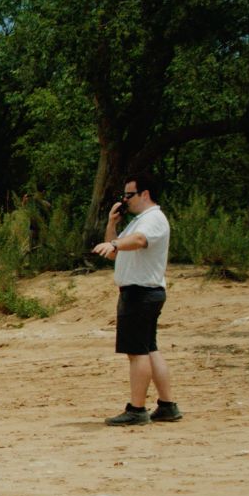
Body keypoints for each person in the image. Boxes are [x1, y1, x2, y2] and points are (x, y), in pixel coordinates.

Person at [90, 176, 180, 425]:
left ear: (145, 194)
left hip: (140, 293)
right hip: (140, 292)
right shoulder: (139, 222)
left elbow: (139, 241)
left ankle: (137, 409)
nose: (125, 200)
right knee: (149, 348)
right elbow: (113, 250)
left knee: (137, 353)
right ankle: (167, 405)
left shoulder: (153, 218)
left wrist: (116, 242)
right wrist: (112, 225)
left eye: (129, 195)